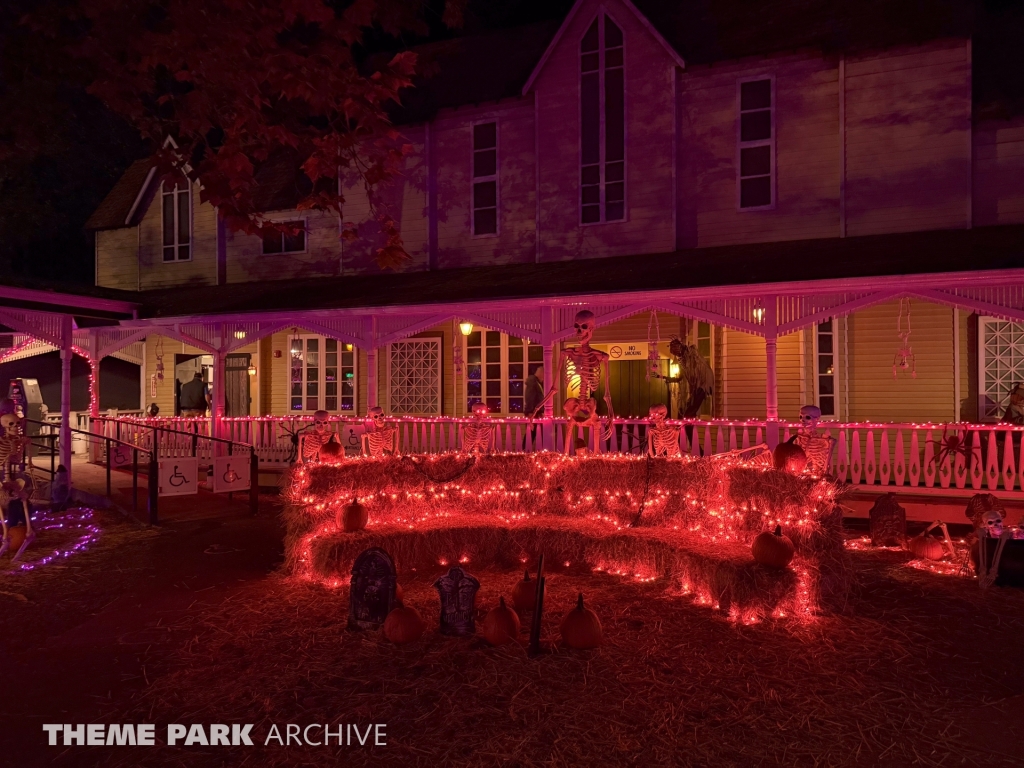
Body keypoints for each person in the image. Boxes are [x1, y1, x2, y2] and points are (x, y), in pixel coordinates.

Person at [523, 365, 545, 449]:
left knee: (534, 433)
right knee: (531, 433)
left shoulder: (538, 383)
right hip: (533, 413)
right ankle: (525, 450)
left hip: (537, 412)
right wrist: (530, 412)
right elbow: (530, 397)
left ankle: (526, 450)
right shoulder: (533, 382)